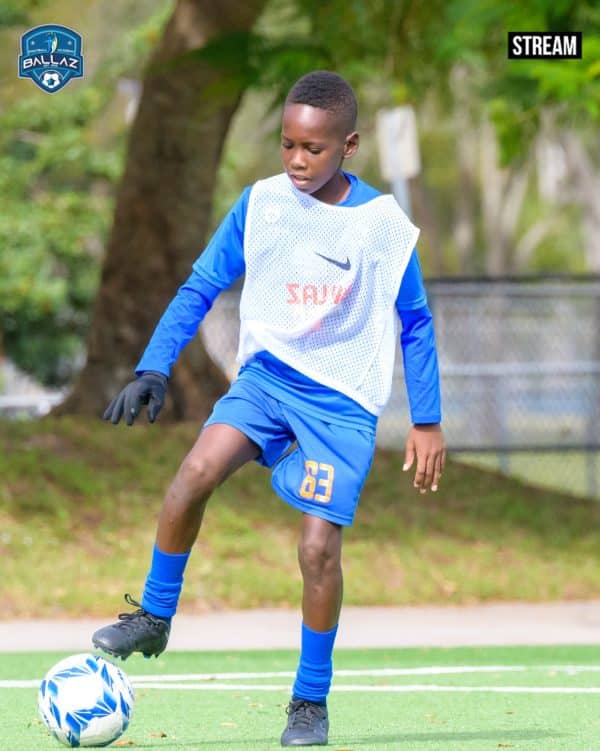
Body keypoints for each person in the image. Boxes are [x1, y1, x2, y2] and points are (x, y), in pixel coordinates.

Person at [92, 70, 446, 747]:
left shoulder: (382, 226)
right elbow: (201, 285)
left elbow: (417, 323)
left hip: (340, 405)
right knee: (194, 473)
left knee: (317, 549)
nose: (296, 160)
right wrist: (153, 366)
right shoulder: (260, 205)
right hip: (266, 382)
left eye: (313, 148)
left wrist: (427, 420)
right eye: (287, 145)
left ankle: (309, 702)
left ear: (349, 145)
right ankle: (154, 616)